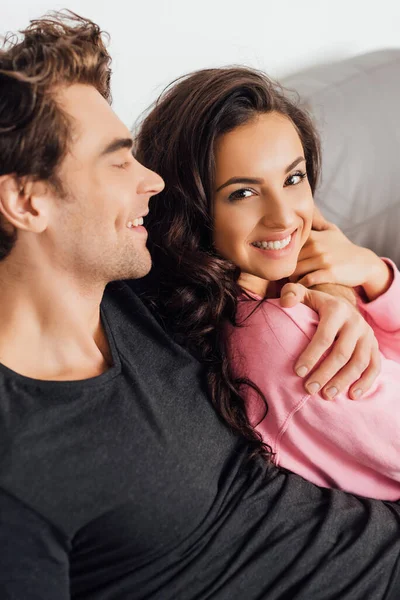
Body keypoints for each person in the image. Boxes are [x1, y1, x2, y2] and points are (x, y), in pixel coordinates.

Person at [0, 11, 400, 600]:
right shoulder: (18, 464)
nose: (152, 182)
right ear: (26, 202)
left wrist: (333, 297)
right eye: (117, 160)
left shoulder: (146, 283)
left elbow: (289, 236)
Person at [135, 66, 400, 501]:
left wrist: (373, 276)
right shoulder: (295, 342)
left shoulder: (280, 288)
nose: (283, 215)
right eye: (243, 193)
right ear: (194, 210)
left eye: (293, 179)